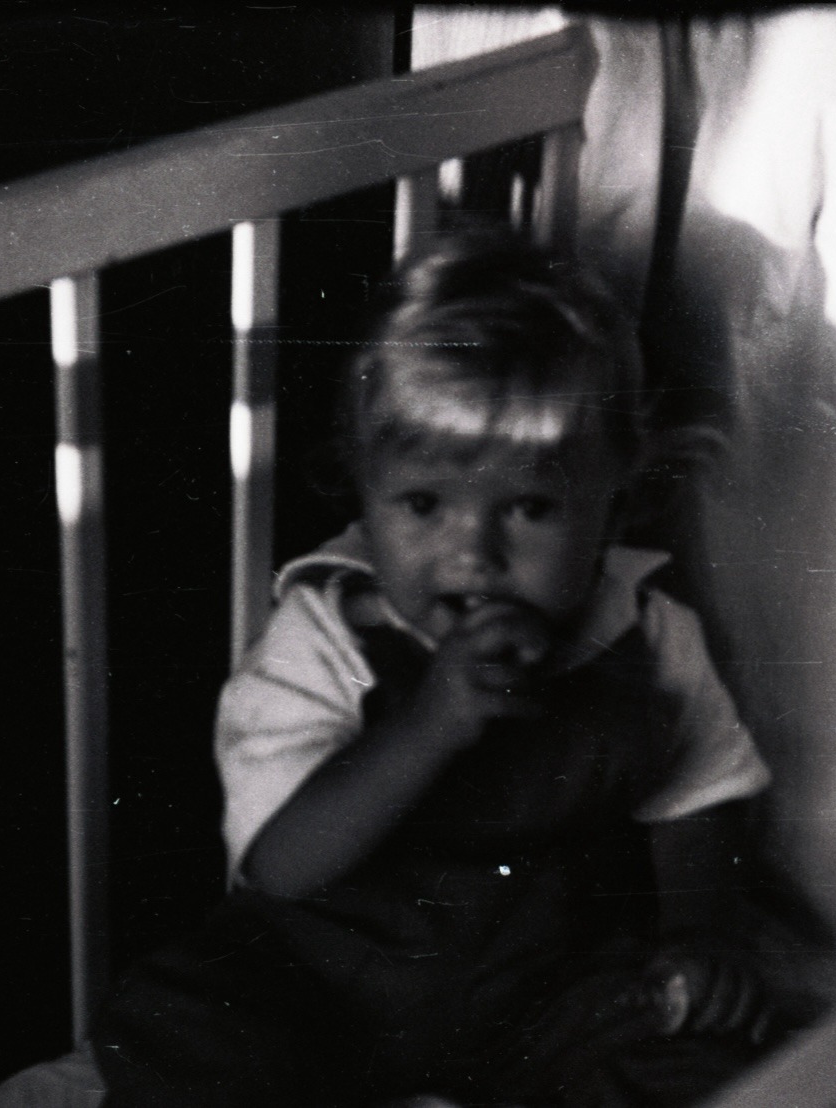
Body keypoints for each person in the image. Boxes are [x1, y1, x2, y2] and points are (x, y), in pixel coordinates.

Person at [92, 233, 783, 1108]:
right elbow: (283, 868)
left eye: (530, 508)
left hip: (545, 988)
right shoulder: (327, 632)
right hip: (327, 981)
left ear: (618, 500)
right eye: (424, 504)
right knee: (180, 1024)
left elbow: (699, 797)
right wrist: (431, 724)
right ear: (362, 490)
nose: (475, 553)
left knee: (711, 1055)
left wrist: (699, 933)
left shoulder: (644, 635)